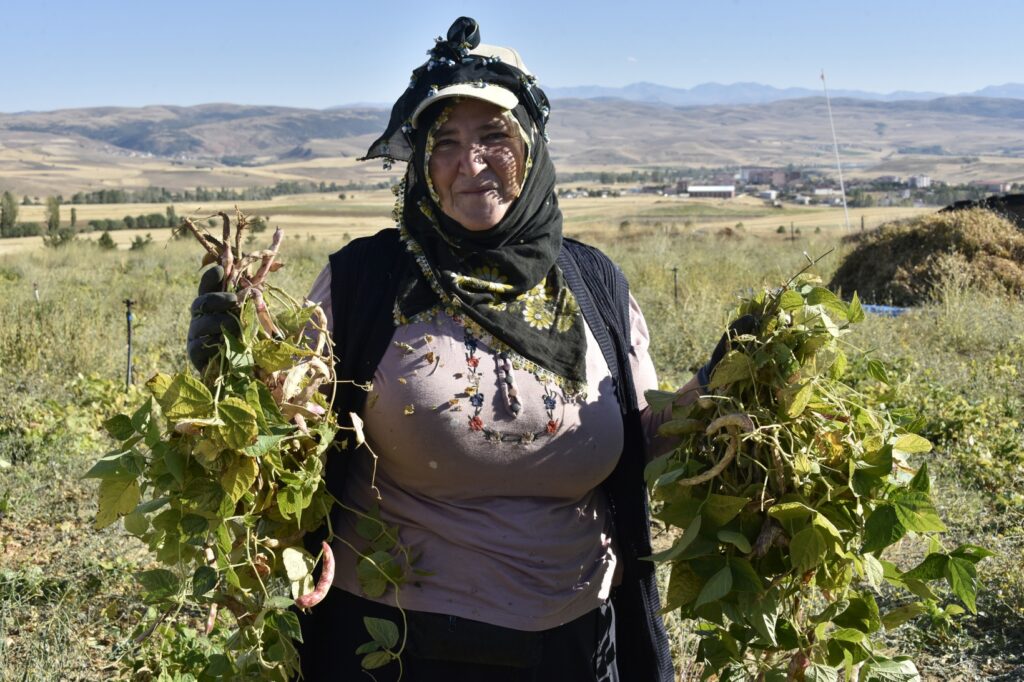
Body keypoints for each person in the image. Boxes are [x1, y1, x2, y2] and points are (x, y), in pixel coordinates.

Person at [188, 16, 730, 681]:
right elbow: (287, 433)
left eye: (494, 135)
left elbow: (641, 439)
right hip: (395, 645)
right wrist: (230, 379)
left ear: (532, 144)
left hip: (580, 644)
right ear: (422, 162)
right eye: (445, 142)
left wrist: (720, 387)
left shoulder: (594, 284)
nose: (470, 164)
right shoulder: (367, 282)